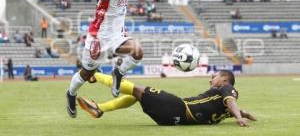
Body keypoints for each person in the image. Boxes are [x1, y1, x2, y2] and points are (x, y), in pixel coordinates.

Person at [66, 0, 142, 118]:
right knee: (87, 73)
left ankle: (118, 73)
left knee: (137, 52)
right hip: (99, 37)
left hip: (117, 34)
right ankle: (70, 93)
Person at [77, 70, 256, 126]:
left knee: (138, 89)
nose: (211, 79)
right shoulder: (224, 106)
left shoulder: (227, 88)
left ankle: (93, 74)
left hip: (179, 107)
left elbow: (231, 101)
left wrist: (239, 116)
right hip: (173, 121)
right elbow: (228, 106)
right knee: (137, 96)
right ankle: (99, 107)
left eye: (215, 76)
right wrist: (243, 113)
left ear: (225, 79)